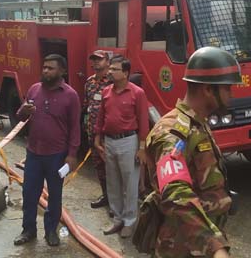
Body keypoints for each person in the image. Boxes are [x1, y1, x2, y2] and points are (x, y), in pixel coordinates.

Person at [145, 46, 239, 258]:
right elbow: (176, 193)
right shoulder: (172, 133)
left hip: (199, 241)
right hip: (181, 246)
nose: (231, 95)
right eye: (227, 89)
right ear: (207, 89)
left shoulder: (198, 124)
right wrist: (216, 247)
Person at [13, 54, 80, 248]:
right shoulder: (34, 89)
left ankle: (51, 231)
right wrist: (23, 111)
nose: (45, 71)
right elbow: (20, 116)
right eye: (44, 67)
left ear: (62, 71)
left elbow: (75, 128)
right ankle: (28, 230)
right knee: (29, 193)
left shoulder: (70, 95)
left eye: (50, 68)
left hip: (57, 155)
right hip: (34, 153)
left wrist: (72, 154)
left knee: (55, 196)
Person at [94, 56, 149, 238]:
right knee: (113, 182)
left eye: (115, 69)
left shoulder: (137, 93)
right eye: (110, 69)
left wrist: (141, 148)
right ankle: (117, 219)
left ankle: (129, 221)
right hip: (109, 142)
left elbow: (143, 123)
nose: (110, 72)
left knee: (130, 184)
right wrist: (97, 138)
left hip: (129, 142)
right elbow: (101, 117)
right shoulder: (106, 92)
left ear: (125, 73)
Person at [84, 50, 112, 209]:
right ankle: (106, 196)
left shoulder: (113, 82)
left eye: (99, 60)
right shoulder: (89, 82)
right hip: (92, 132)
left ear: (108, 61)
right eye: (93, 60)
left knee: (112, 168)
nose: (95, 63)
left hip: (108, 134)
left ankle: (116, 202)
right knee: (99, 167)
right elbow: (86, 104)